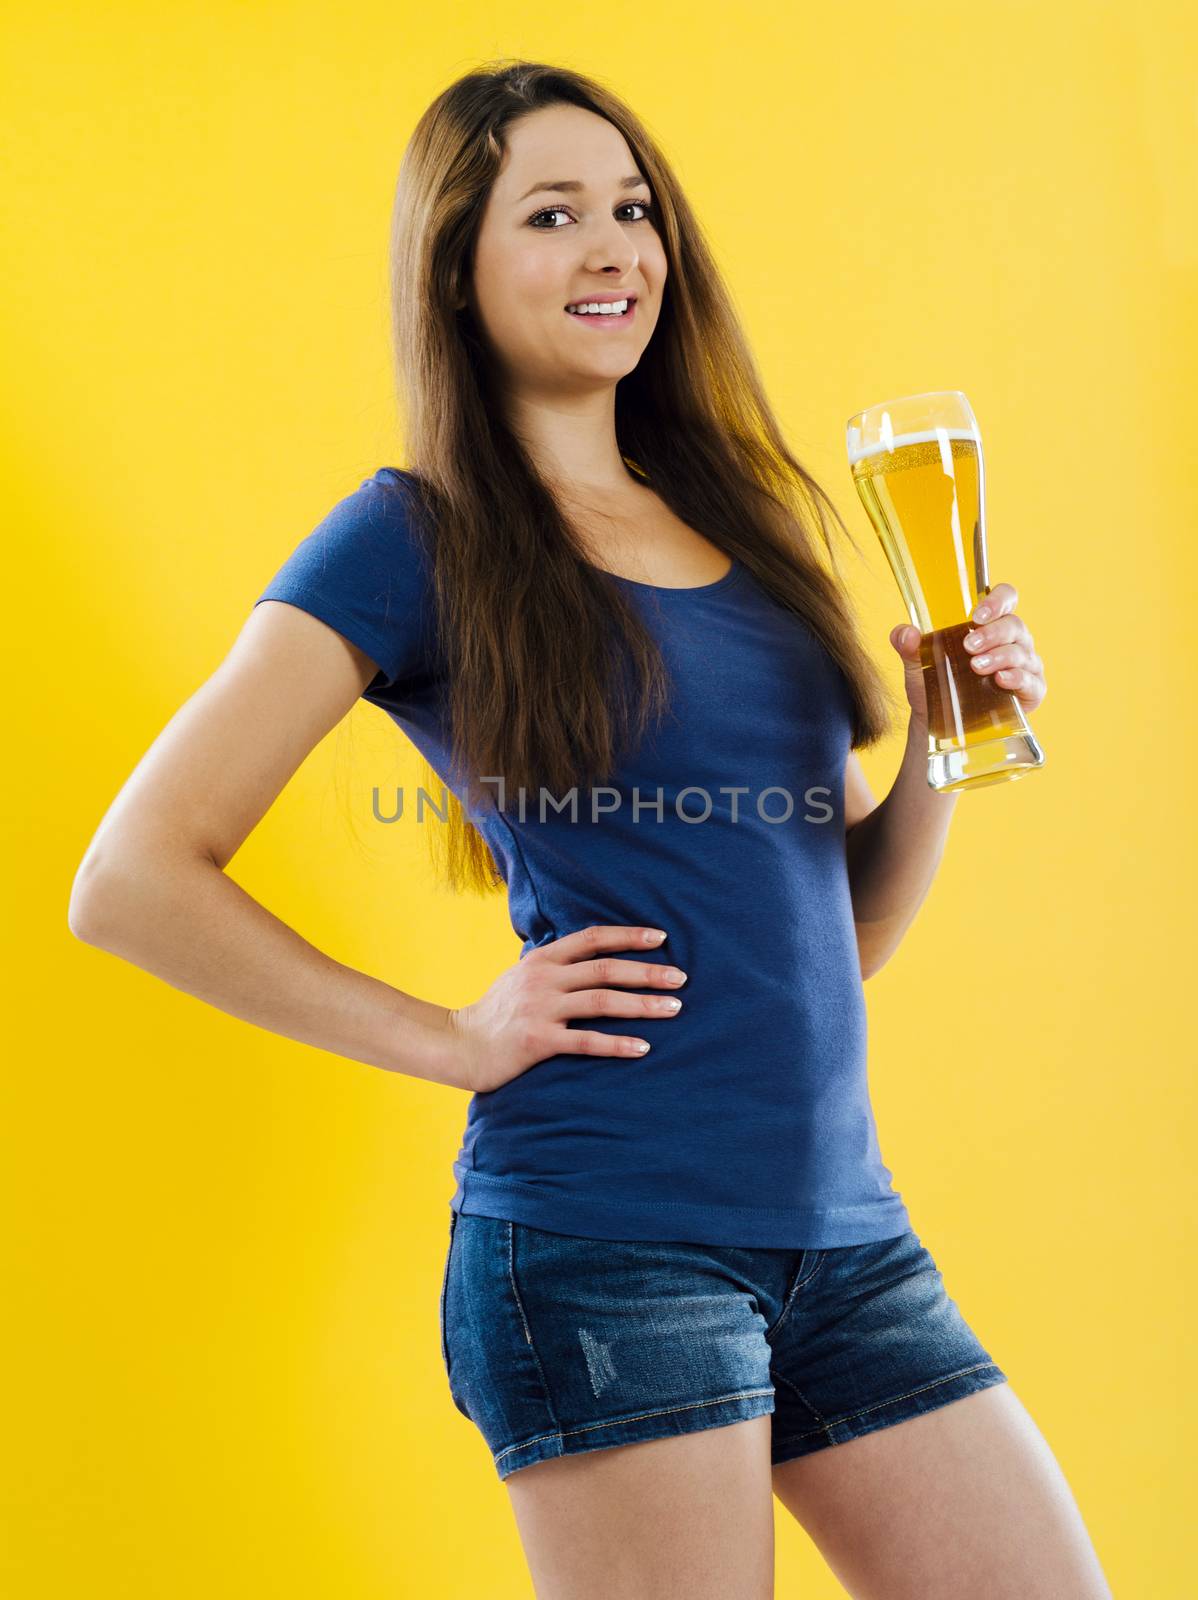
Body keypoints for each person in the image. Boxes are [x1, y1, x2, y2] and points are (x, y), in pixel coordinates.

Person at [69, 58, 1110, 1600]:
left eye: (633, 209)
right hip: (606, 1246)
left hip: (842, 1242)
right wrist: (448, 1034)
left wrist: (948, 750)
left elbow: (852, 935)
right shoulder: (415, 537)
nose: (614, 249)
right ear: (458, 268)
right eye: (551, 216)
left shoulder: (747, 532)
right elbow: (130, 878)